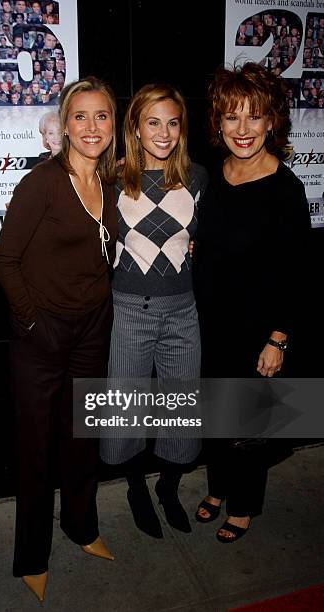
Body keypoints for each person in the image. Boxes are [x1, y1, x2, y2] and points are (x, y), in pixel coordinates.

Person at [0, 76, 118, 603]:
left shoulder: (112, 181)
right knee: (37, 449)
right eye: (81, 117)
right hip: (42, 335)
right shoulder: (41, 182)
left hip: (93, 329)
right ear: (64, 126)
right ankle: (32, 556)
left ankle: (82, 527)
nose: (92, 127)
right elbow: (4, 261)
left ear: (114, 124)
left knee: (81, 437)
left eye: (102, 116)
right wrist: (34, 321)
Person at [192, 62, 311, 542]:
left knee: (248, 421)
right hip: (209, 322)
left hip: (258, 330)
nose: (243, 130)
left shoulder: (286, 190)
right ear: (218, 122)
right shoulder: (211, 176)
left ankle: (242, 506)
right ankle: (219, 487)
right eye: (232, 117)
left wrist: (278, 338)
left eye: (254, 117)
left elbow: (300, 273)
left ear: (271, 122)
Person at [100, 84, 208, 538]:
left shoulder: (200, 177)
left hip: (183, 312)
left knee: (179, 414)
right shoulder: (111, 181)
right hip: (129, 312)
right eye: (152, 122)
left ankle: (166, 487)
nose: (164, 133)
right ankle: (135, 488)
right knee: (127, 414)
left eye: (173, 122)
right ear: (135, 128)